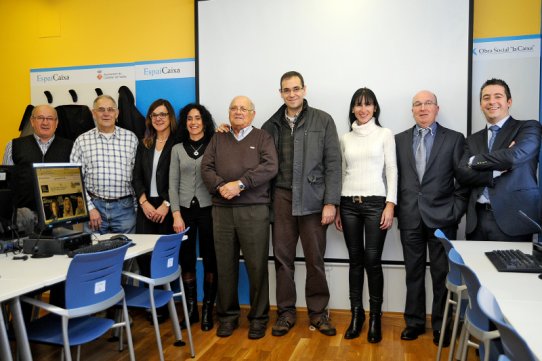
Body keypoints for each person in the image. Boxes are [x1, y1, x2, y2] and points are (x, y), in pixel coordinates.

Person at [262, 71, 341, 337]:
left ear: (304, 89)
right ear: (280, 93)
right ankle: (285, 313)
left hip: (313, 200)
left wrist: (331, 202)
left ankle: (318, 314)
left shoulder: (323, 120)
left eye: (296, 88)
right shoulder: (270, 125)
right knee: (283, 260)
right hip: (281, 200)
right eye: (287, 90)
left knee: (314, 260)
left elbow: (333, 165)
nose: (292, 94)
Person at [201, 96, 278, 340]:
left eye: (244, 108)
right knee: (225, 266)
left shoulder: (262, 137)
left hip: (254, 210)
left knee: (256, 267)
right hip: (222, 210)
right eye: (234, 108)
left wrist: (240, 184)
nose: (238, 112)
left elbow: (270, 166)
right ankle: (227, 317)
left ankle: (258, 319)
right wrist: (222, 186)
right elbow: (206, 167)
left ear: (253, 114)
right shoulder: (218, 137)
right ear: (228, 112)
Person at [395, 90, 468, 346]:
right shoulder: (399, 140)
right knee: (413, 273)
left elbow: (463, 181)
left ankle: (441, 325)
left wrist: (455, 211)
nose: (422, 108)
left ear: (437, 108)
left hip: (443, 219)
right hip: (410, 218)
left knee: (441, 275)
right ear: (412, 110)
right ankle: (414, 323)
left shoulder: (455, 139)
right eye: (417, 104)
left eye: (428, 103)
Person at [334, 88, 397, 342]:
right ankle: (356, 316)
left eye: (368, 104)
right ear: (352, 108)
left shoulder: (385, 134)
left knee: (373, 260)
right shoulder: (345, 138)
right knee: (355, 261)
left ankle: (375, 318)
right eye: (358, 105)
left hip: (375, 204)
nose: (363, 109)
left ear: (375, 108)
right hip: (348, 204)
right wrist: (337, 205)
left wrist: (390, 204)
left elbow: (391, 169)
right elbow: (341, 172)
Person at [457, 78, 542, 241]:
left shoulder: (528, 128)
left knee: (510, 267)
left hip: (514, 218)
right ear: (481, 104)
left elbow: (513, 157)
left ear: (508, 101)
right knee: (475, 267)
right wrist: (495, 170)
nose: (491, 102)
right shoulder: (472, 139)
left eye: (498, 96)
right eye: (486, 98)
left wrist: (475, 161)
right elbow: (462, 174)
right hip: (477, 220)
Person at [169, 103, 217, 331]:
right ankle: (191, 309)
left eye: (198, 118)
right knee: (186, 260)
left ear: (204, 121)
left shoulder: (216, 144)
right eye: (189, 118)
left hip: (210, 211)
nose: (194, 122)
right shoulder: (177, 148)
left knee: (211, 259)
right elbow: (172, 184)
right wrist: (176, 215)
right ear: (185, 122)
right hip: (185, 213)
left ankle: (208, 308)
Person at [132, 99, 177, 323]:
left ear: (170, 117)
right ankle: (150, 305)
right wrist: (143, 202)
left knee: (164, 258)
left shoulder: (178, 143)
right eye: (154, 115)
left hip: (168, 206)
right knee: (145, 259)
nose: (158, 118)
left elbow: (180, 178)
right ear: (150, 119)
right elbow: (136, 176)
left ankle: (166, 305)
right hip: (146, 206)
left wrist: (166, 204)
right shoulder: (145, 143)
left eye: (163, 114)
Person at [70, 95, 138, 234]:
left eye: (110, 109)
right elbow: (74, 178)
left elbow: (138, 176)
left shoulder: (131, 139)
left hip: (125, 209)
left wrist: (136, 208)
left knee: (128, 253)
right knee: (93, 253)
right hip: (95, 208)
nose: (106, 113)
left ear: (117, 113)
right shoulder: (82, 141)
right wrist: (89, 208)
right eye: (101, 109)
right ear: (93, 113)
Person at [3, 104, 73, 211]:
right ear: (32, 121)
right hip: (24, 215)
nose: (45, 122)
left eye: (50, 118)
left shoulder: (71, 147)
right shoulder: (13, 145)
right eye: (40, 118)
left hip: (60, 215)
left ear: (56, 122)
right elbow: (6, 183)